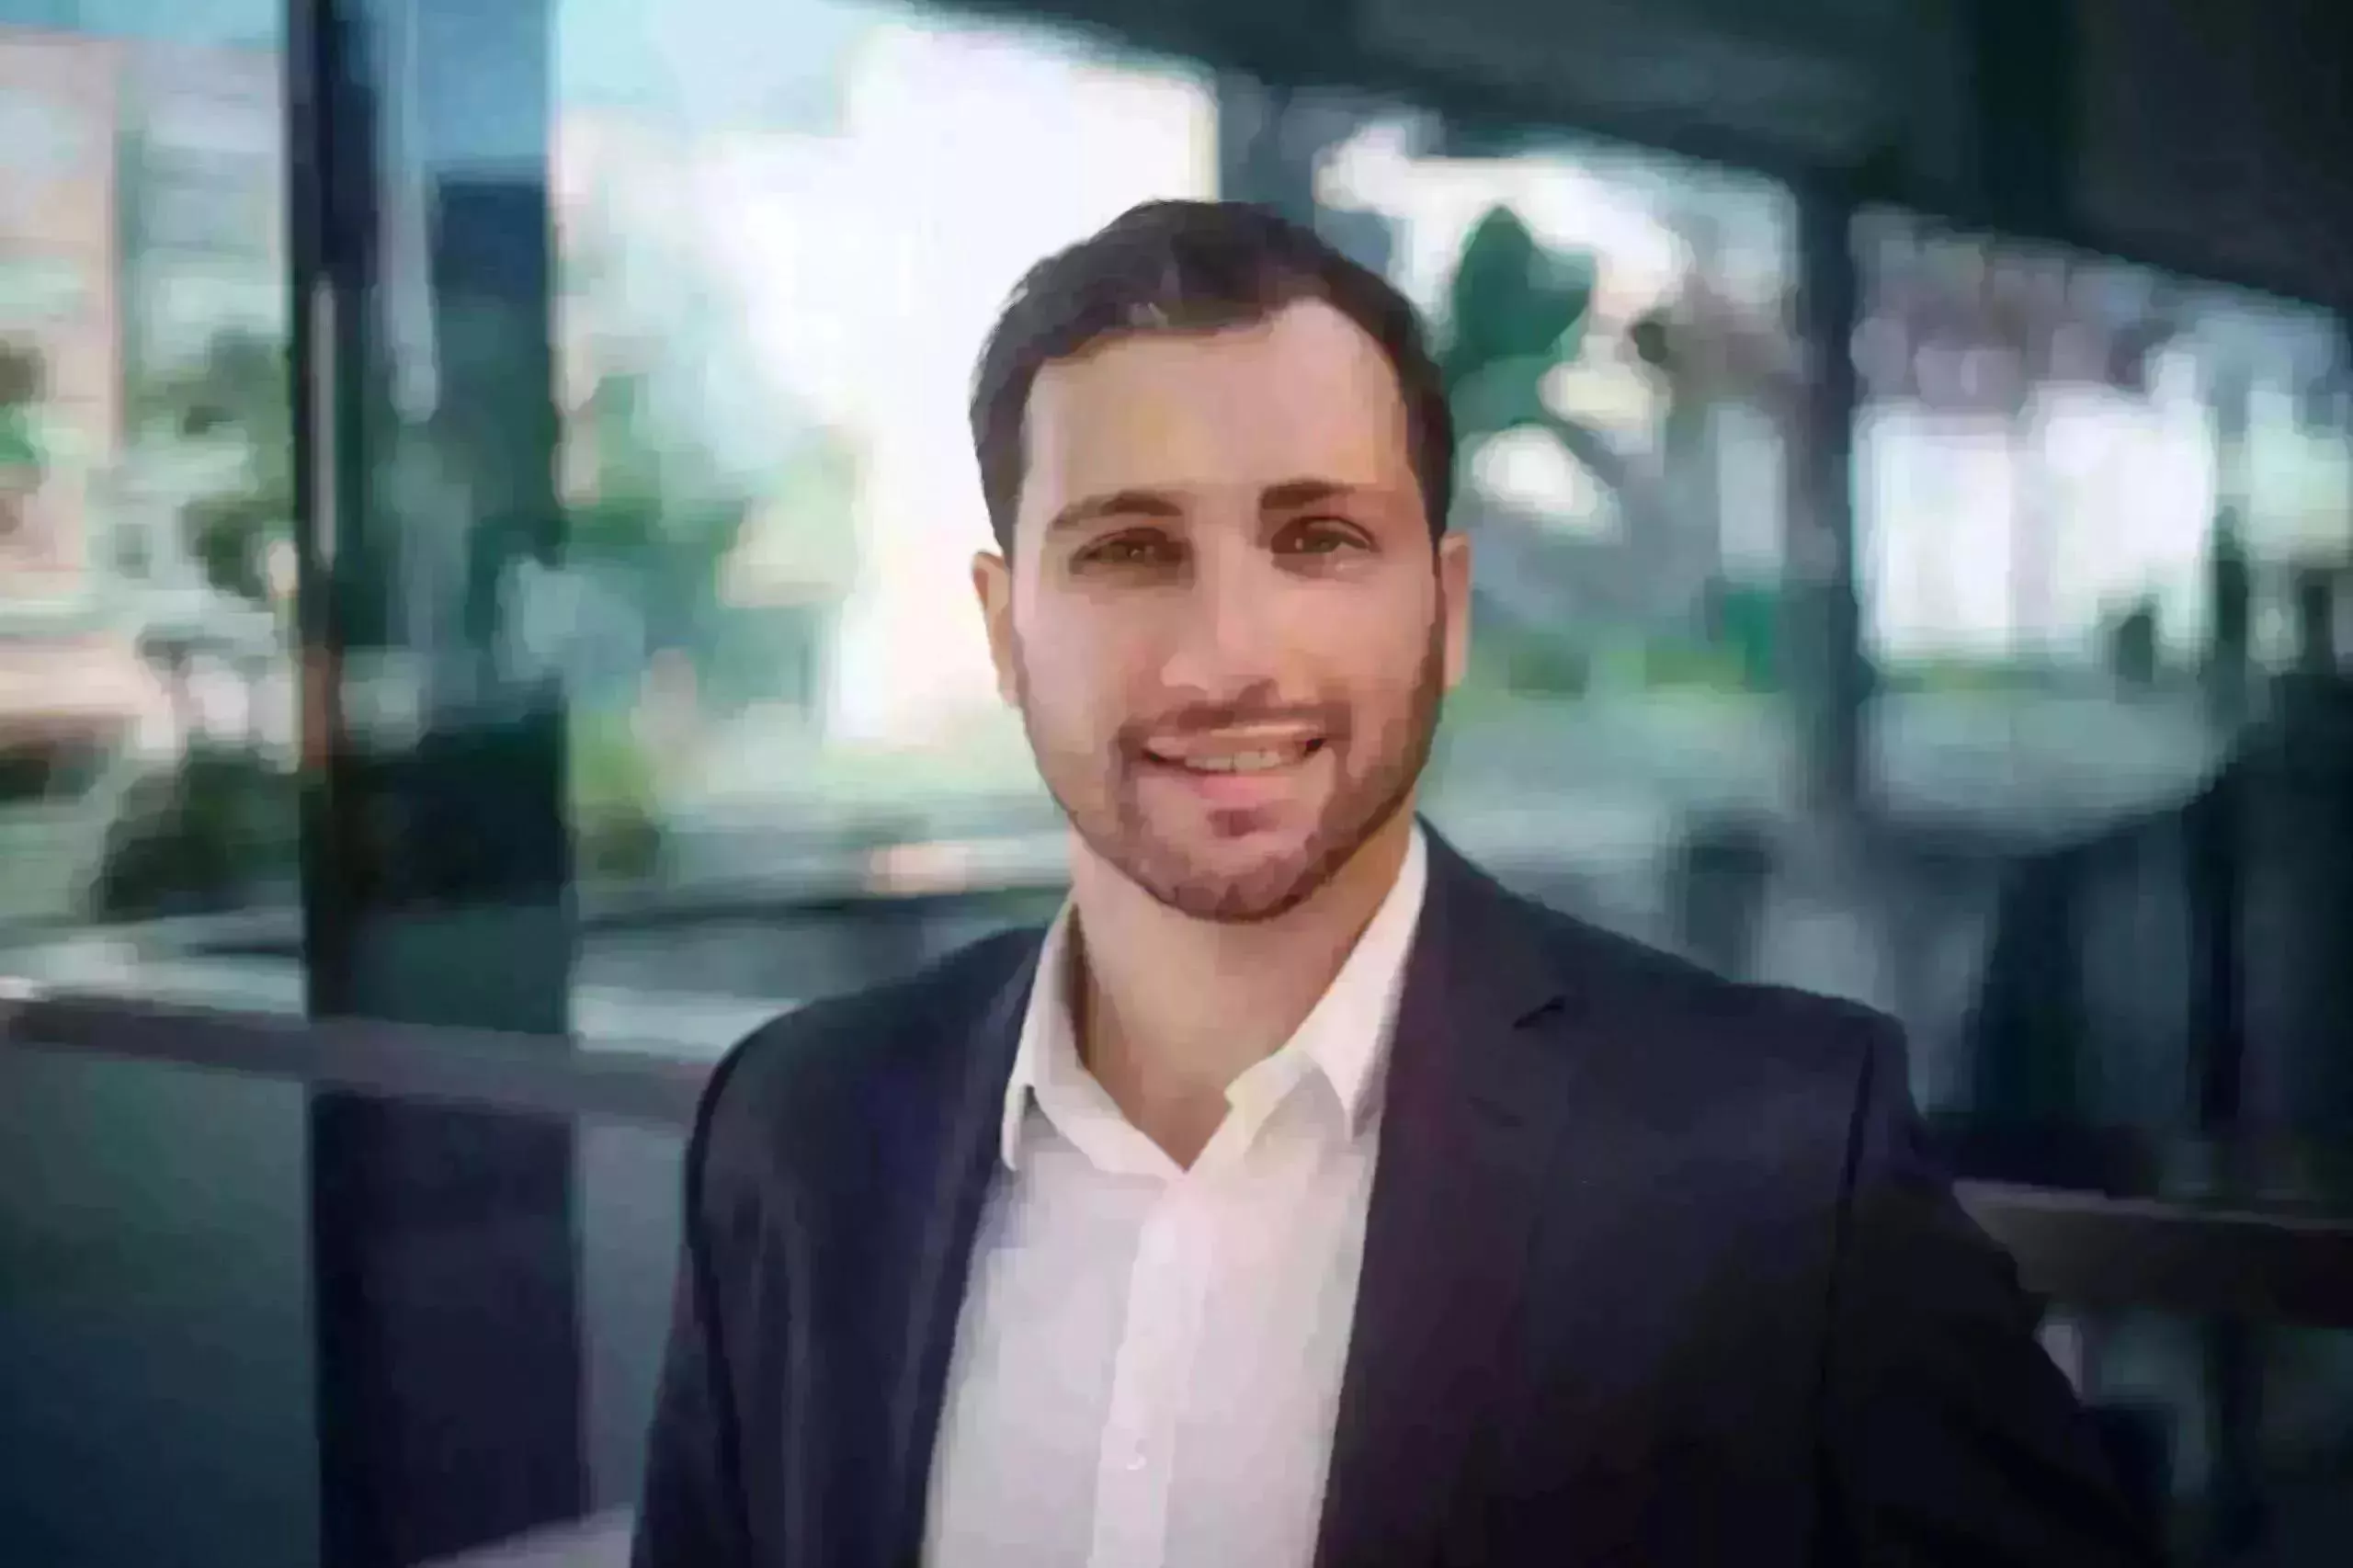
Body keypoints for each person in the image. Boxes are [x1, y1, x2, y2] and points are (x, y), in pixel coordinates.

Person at [633, 199, 2157, 1568]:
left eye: (1318, 538)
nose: (1228, 656)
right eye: (1130, 550)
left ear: (1447, 603)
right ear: (1002, 624)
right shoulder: (800, 1138)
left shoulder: (1778, 1159)